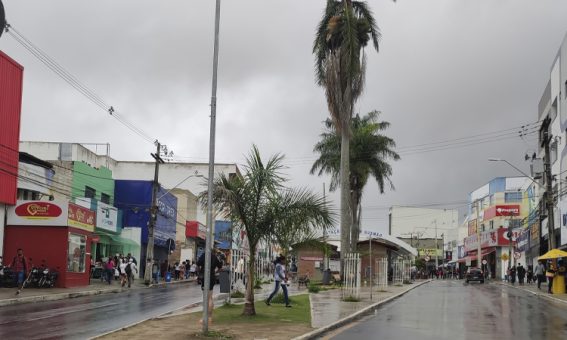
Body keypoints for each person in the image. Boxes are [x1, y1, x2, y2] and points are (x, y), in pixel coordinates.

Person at [196, 250, 223, 325]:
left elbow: (197, 265)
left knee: (206, 298)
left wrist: (199, 272)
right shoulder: (215, 257)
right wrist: (214, 272)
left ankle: (205, 318)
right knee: (210, 297)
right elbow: (220, 268)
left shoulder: (204, 255)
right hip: (212, 277)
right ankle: (210, 318)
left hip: (205, 277)